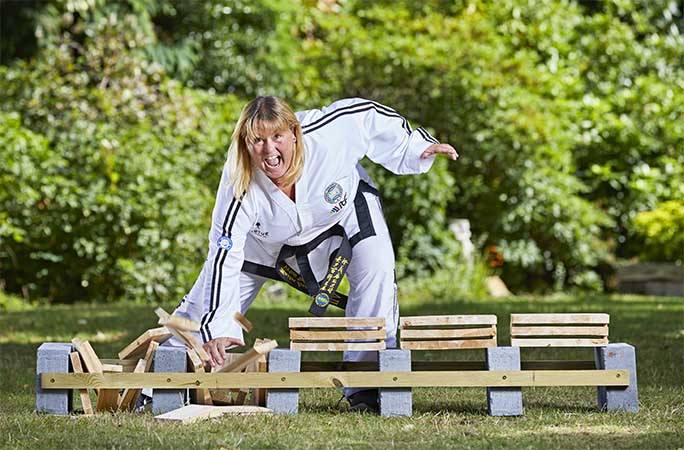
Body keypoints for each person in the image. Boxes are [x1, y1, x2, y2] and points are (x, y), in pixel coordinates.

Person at [173, 96, 458, 411]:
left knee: (376, 267)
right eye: (258, 140)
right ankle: (161, 377)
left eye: (277, 136)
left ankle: (366, 385)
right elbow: (222, 257)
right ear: (245, 143)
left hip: (345, 211)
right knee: (202, 303)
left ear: (295, 132)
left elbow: (366, 115)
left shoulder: (327, 134)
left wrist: (413, 146)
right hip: (266, 240)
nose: (269, 150)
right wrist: (218, 327)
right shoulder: (238, 181)